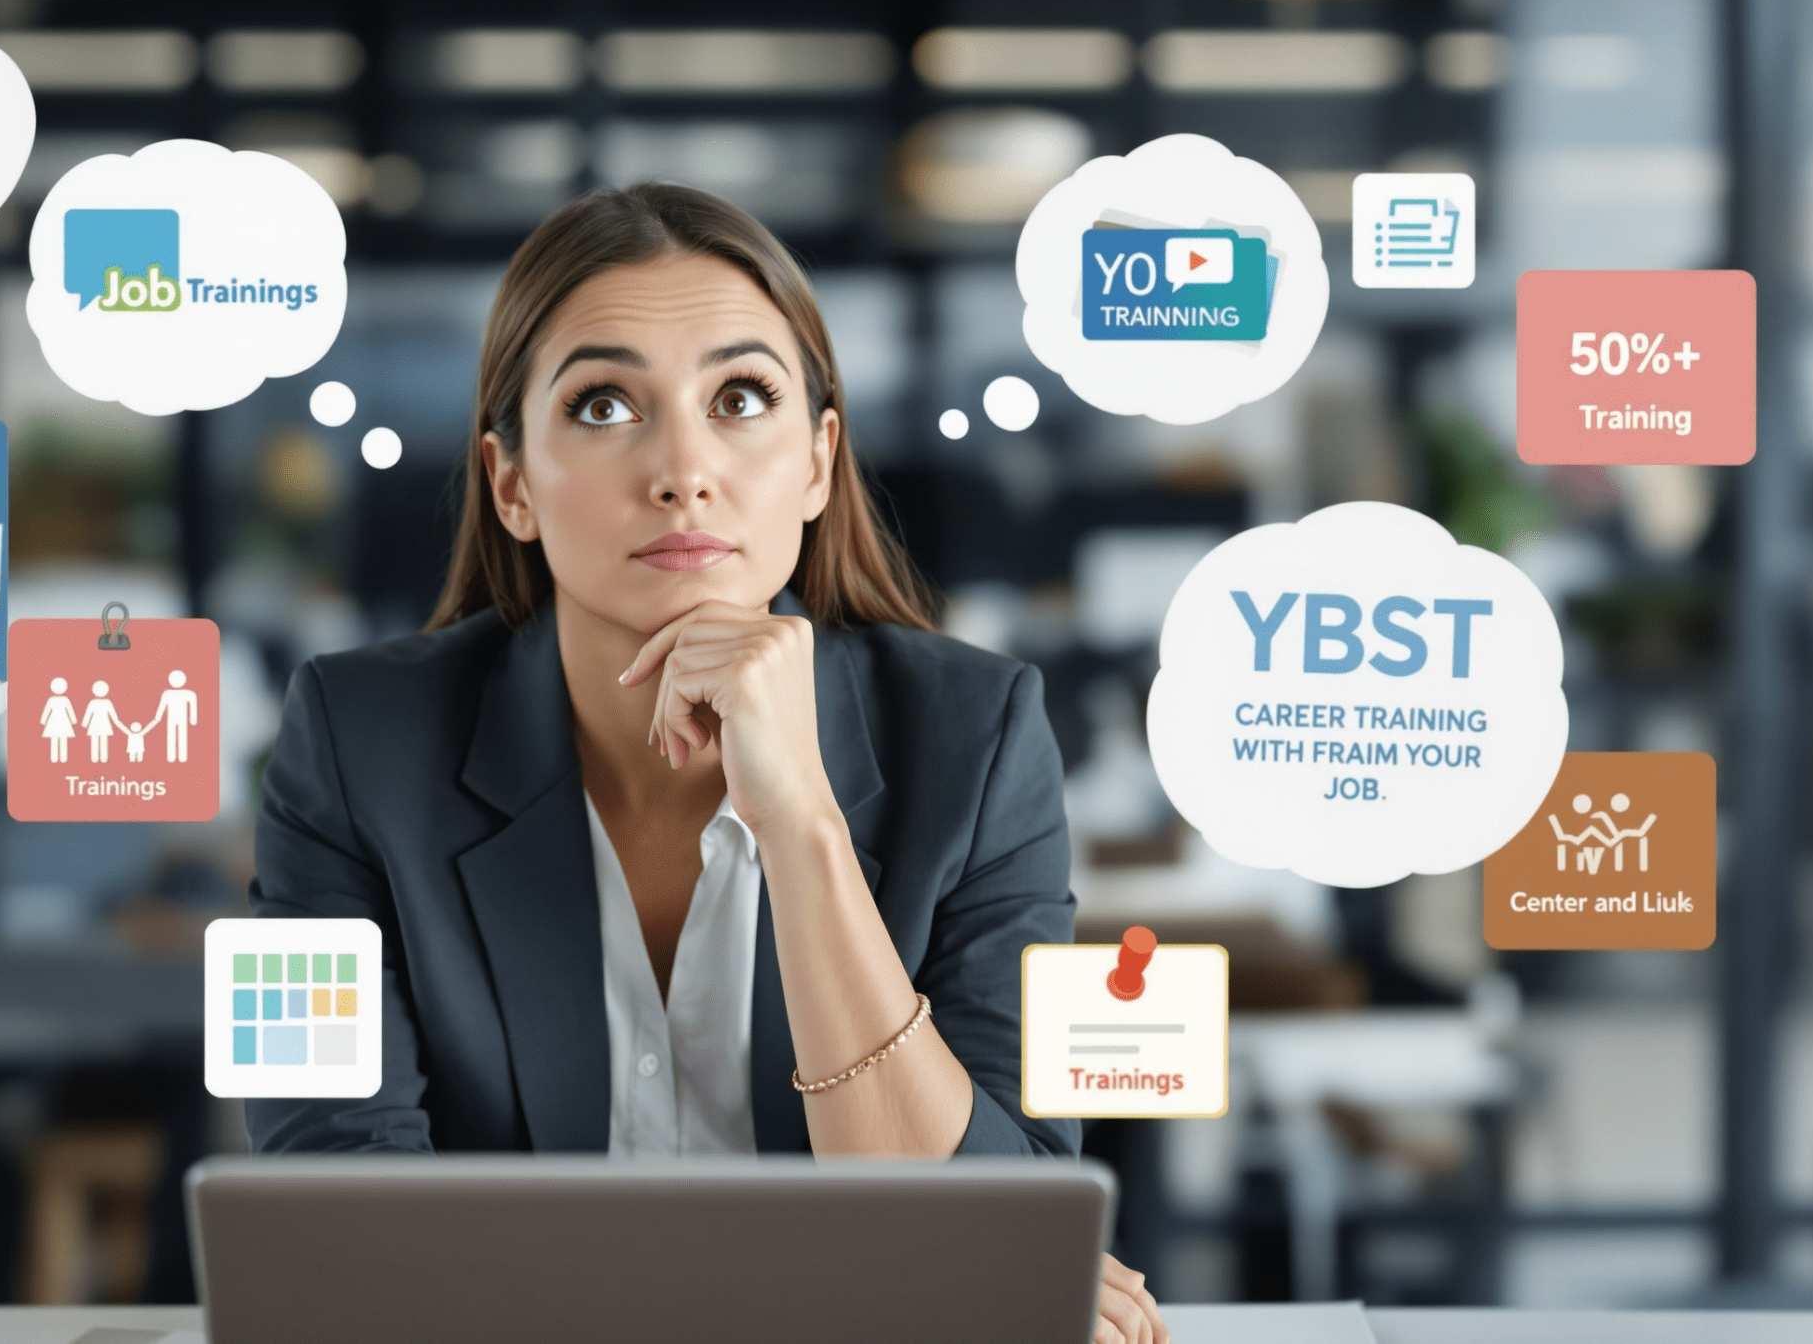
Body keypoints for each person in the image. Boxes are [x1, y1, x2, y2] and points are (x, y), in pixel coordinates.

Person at [249, 185, 1170, 1344]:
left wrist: (803, 827)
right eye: (601, 405)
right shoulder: (348, 738)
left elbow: (1002, 1222)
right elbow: (332, 1211)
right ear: (512, 484)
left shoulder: (977, 736)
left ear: (818, 462)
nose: (683, 469)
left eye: (739, 398)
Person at [155, 669, 198, 763]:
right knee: (172, 735)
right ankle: (171, 756)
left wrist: (193, 718)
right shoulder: (167, 694)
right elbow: (162, 705)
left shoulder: (189, 694)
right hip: (172, 718)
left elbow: (193, 706)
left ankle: (182, 756)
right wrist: (158, 716)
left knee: (182, 735)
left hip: (181, 718)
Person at [81, 681, 121, 764]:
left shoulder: (93, 702)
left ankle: (95, 758)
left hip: (95, 725)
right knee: (103, 741)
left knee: (96, 741)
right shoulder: (107, 703)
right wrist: (117, 723)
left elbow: (88, 714)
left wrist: (84, 724)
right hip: (104, 725)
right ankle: (103, 758)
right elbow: (114, 716)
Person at [40, 677, 77, 763]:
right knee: (60, 740)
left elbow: (47, 711)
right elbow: (70, 711)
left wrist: (43, 721)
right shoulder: (64, 700)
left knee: (56, 740)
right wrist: (73, 721)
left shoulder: (53, 700)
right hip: (63, 723)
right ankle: (61, 758)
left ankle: (56, 758)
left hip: (54, 723)